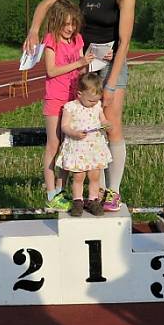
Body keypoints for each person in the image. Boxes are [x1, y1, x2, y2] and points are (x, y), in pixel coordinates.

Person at [24, 0, 134, 212]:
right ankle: (72, 191)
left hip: (111, 59)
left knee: (111, 123)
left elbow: (125, 42)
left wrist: (110, 85)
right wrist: (34, 31)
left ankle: (112, 191)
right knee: (76, 120)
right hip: (84, 59)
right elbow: (45, 4)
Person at [41, 0, 94, 211]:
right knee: (53, 145)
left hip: (74, 100)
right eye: (66, 24)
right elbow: (51, 70)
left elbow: (82, 70)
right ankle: (51, 192)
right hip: (55, 98)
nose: (70, 29)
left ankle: (62, 191)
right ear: (56, 22)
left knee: (67, 146)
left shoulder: (78, 39)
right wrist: (78, 63)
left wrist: (90, 63)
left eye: (73, 24)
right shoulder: (50, 40)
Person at [55, 73, 112, 217]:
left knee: (94, 176)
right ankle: (77, 201)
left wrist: (106, 125)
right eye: (90, 100)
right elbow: (65, 126)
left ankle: (93, 200)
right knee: (78, 176)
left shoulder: (97, 106)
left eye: (96, 100)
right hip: (78, 147)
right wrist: (73, 133)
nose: (93, 103)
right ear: (79, 94)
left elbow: (103, 120)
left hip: (94, 147)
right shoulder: (70, 107)